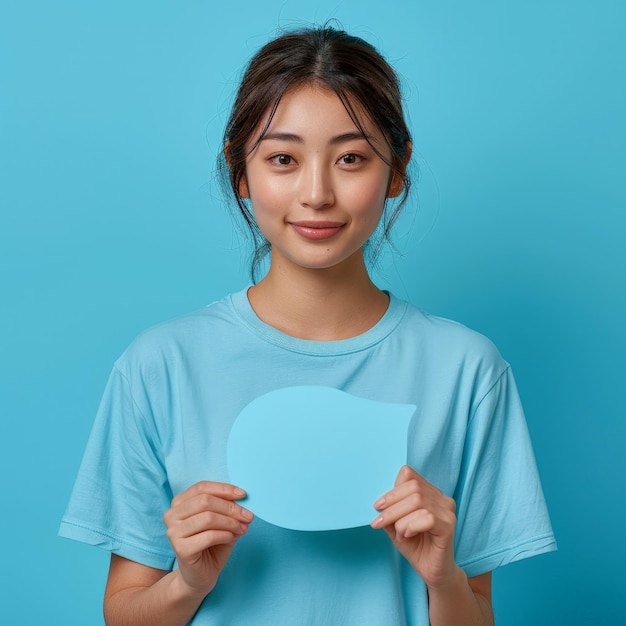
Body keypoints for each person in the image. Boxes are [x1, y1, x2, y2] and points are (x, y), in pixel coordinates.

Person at [59, 25, 556, 626]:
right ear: (241, 173)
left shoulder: (467, 369)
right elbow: (124, 614)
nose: (317, 193)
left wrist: (442, 576)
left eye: (351, 158)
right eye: (282, 159)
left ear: (396, 171)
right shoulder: (161, 364)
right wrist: (186, 583)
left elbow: (478, 616)